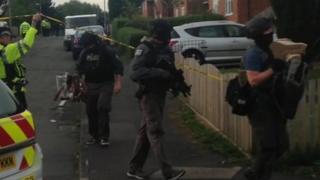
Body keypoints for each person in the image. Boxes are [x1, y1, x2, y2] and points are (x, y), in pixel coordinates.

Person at [126, 19, 185, 180]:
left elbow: (169, 70)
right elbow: (135, 73)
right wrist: (160, 73)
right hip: (149, 95)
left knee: (145, 132)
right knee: (155, 131)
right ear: (160, 33)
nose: (169, 36)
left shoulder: (166, 49)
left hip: (160, 94)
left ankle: (134, 168)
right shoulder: (145, 48)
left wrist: (175, 83)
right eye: (167, 33)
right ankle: (167, 172)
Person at [243, 17, 289, 180]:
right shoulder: (253, 53)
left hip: (274, 103)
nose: (272, 35)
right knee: (267, 147)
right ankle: (258, 174)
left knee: (281, 145)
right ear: (259, 35)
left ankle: (255, 171)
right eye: (269, 33)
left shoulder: (270, 50)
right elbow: (253, 80)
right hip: (260, 105)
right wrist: (273, 69)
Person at [76, 32, 123, 147]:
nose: (86, 47)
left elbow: (118, 68)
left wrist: (118, 83)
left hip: (106, 83)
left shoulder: (107, 51)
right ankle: (94, 136)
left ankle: (104, 137)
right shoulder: (84, 52)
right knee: (90, 110)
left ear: (93, 43)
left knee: (102, 107)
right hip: (90, 84)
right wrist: (82, 83)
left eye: (88, 45)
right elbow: (79, 69)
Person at [0, 13, 41, 109]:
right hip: (11, 91)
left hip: (3, 90)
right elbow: (27, 43)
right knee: (19, 116)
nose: (10, 40)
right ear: (2, 37)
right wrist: (34, 23)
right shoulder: (7, 50)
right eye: (9, 37)